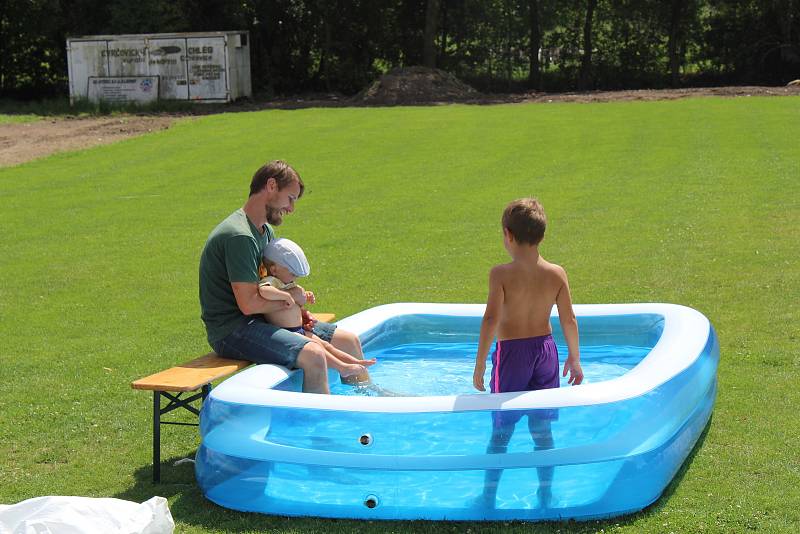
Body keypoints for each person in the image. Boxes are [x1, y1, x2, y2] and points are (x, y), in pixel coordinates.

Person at [198, 160, 369, 394]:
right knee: (314, 355)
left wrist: (298, 312)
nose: (291, 209)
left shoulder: (264, 231)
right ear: (271, 186)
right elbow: (248, 304)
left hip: (263, 320)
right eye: (290, 199)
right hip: (233, 330)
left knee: (349, 342)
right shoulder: (239, 236)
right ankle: (319, 425)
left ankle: (369, 403)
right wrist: (291, 300)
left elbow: (272, 285)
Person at [472, 197, 584, 508]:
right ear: (542, 236)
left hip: (511, 355)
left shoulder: (501, 274)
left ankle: (488, 496)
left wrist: (480, 363)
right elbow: (568, 319)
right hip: (546, 352)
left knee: (501, 431)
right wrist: (574, 358)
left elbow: (491, 319)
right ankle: (545, 492)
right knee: (542, 429)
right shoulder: (556, 273)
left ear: (507, 234)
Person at [258, 237, 376, 379]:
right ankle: (343, 368)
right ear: (274, 270)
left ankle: (355, 361)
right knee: (319, 349)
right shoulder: (271, 282)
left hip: (299, 329)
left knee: (327, 346)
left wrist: (305, 296)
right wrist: (287, 296)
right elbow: (264, 291)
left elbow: (296, 301)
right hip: (288, 332)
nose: (295, 278)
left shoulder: (286, 283)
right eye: (292, 273)